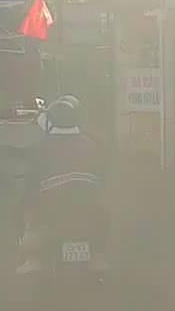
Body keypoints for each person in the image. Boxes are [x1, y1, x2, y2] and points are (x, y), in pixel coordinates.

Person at [16, 96, 111, 275]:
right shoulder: (92, 145)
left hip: (52, 214)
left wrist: (26, 207)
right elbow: (103, 179)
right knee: (102, 215)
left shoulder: (40, 147)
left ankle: (33, 260)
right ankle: (97, 257)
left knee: (27, 213)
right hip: (88, 214)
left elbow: (31, 186)